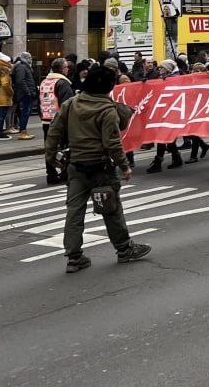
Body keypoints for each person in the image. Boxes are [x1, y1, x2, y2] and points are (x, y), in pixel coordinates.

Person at [44, 64, 151, 273]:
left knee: (74, 212)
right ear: (108, 87)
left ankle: (74, 257)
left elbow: (54, 133)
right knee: (111, 210)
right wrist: (125, 166)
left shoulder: (71, 104)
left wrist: (51, 157)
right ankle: (124, 249)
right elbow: (112, 142)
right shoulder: (107, 110)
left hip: (76, 166)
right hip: (101, 168)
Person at [38, 57, 75, 185]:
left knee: (50, 148)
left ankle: (51, 174)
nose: (68, 69)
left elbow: (40, 102)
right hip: (60, 122)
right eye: (66, 67)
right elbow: (67, 104)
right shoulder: (63, 83)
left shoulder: (44, 82)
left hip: (46, 120)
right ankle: (65, 172)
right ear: (61, 69)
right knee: (65, 147)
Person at [12, 52, 38, 140]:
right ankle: (23, 131)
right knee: (25, 112)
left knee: (26, 113)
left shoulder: (24, 66)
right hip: (25, 93)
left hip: (27, 92)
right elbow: (20, 80)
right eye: (30, 57)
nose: (31, 59)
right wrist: (28, 92)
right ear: (26, 58)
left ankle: (23, 130)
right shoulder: (22, 67)